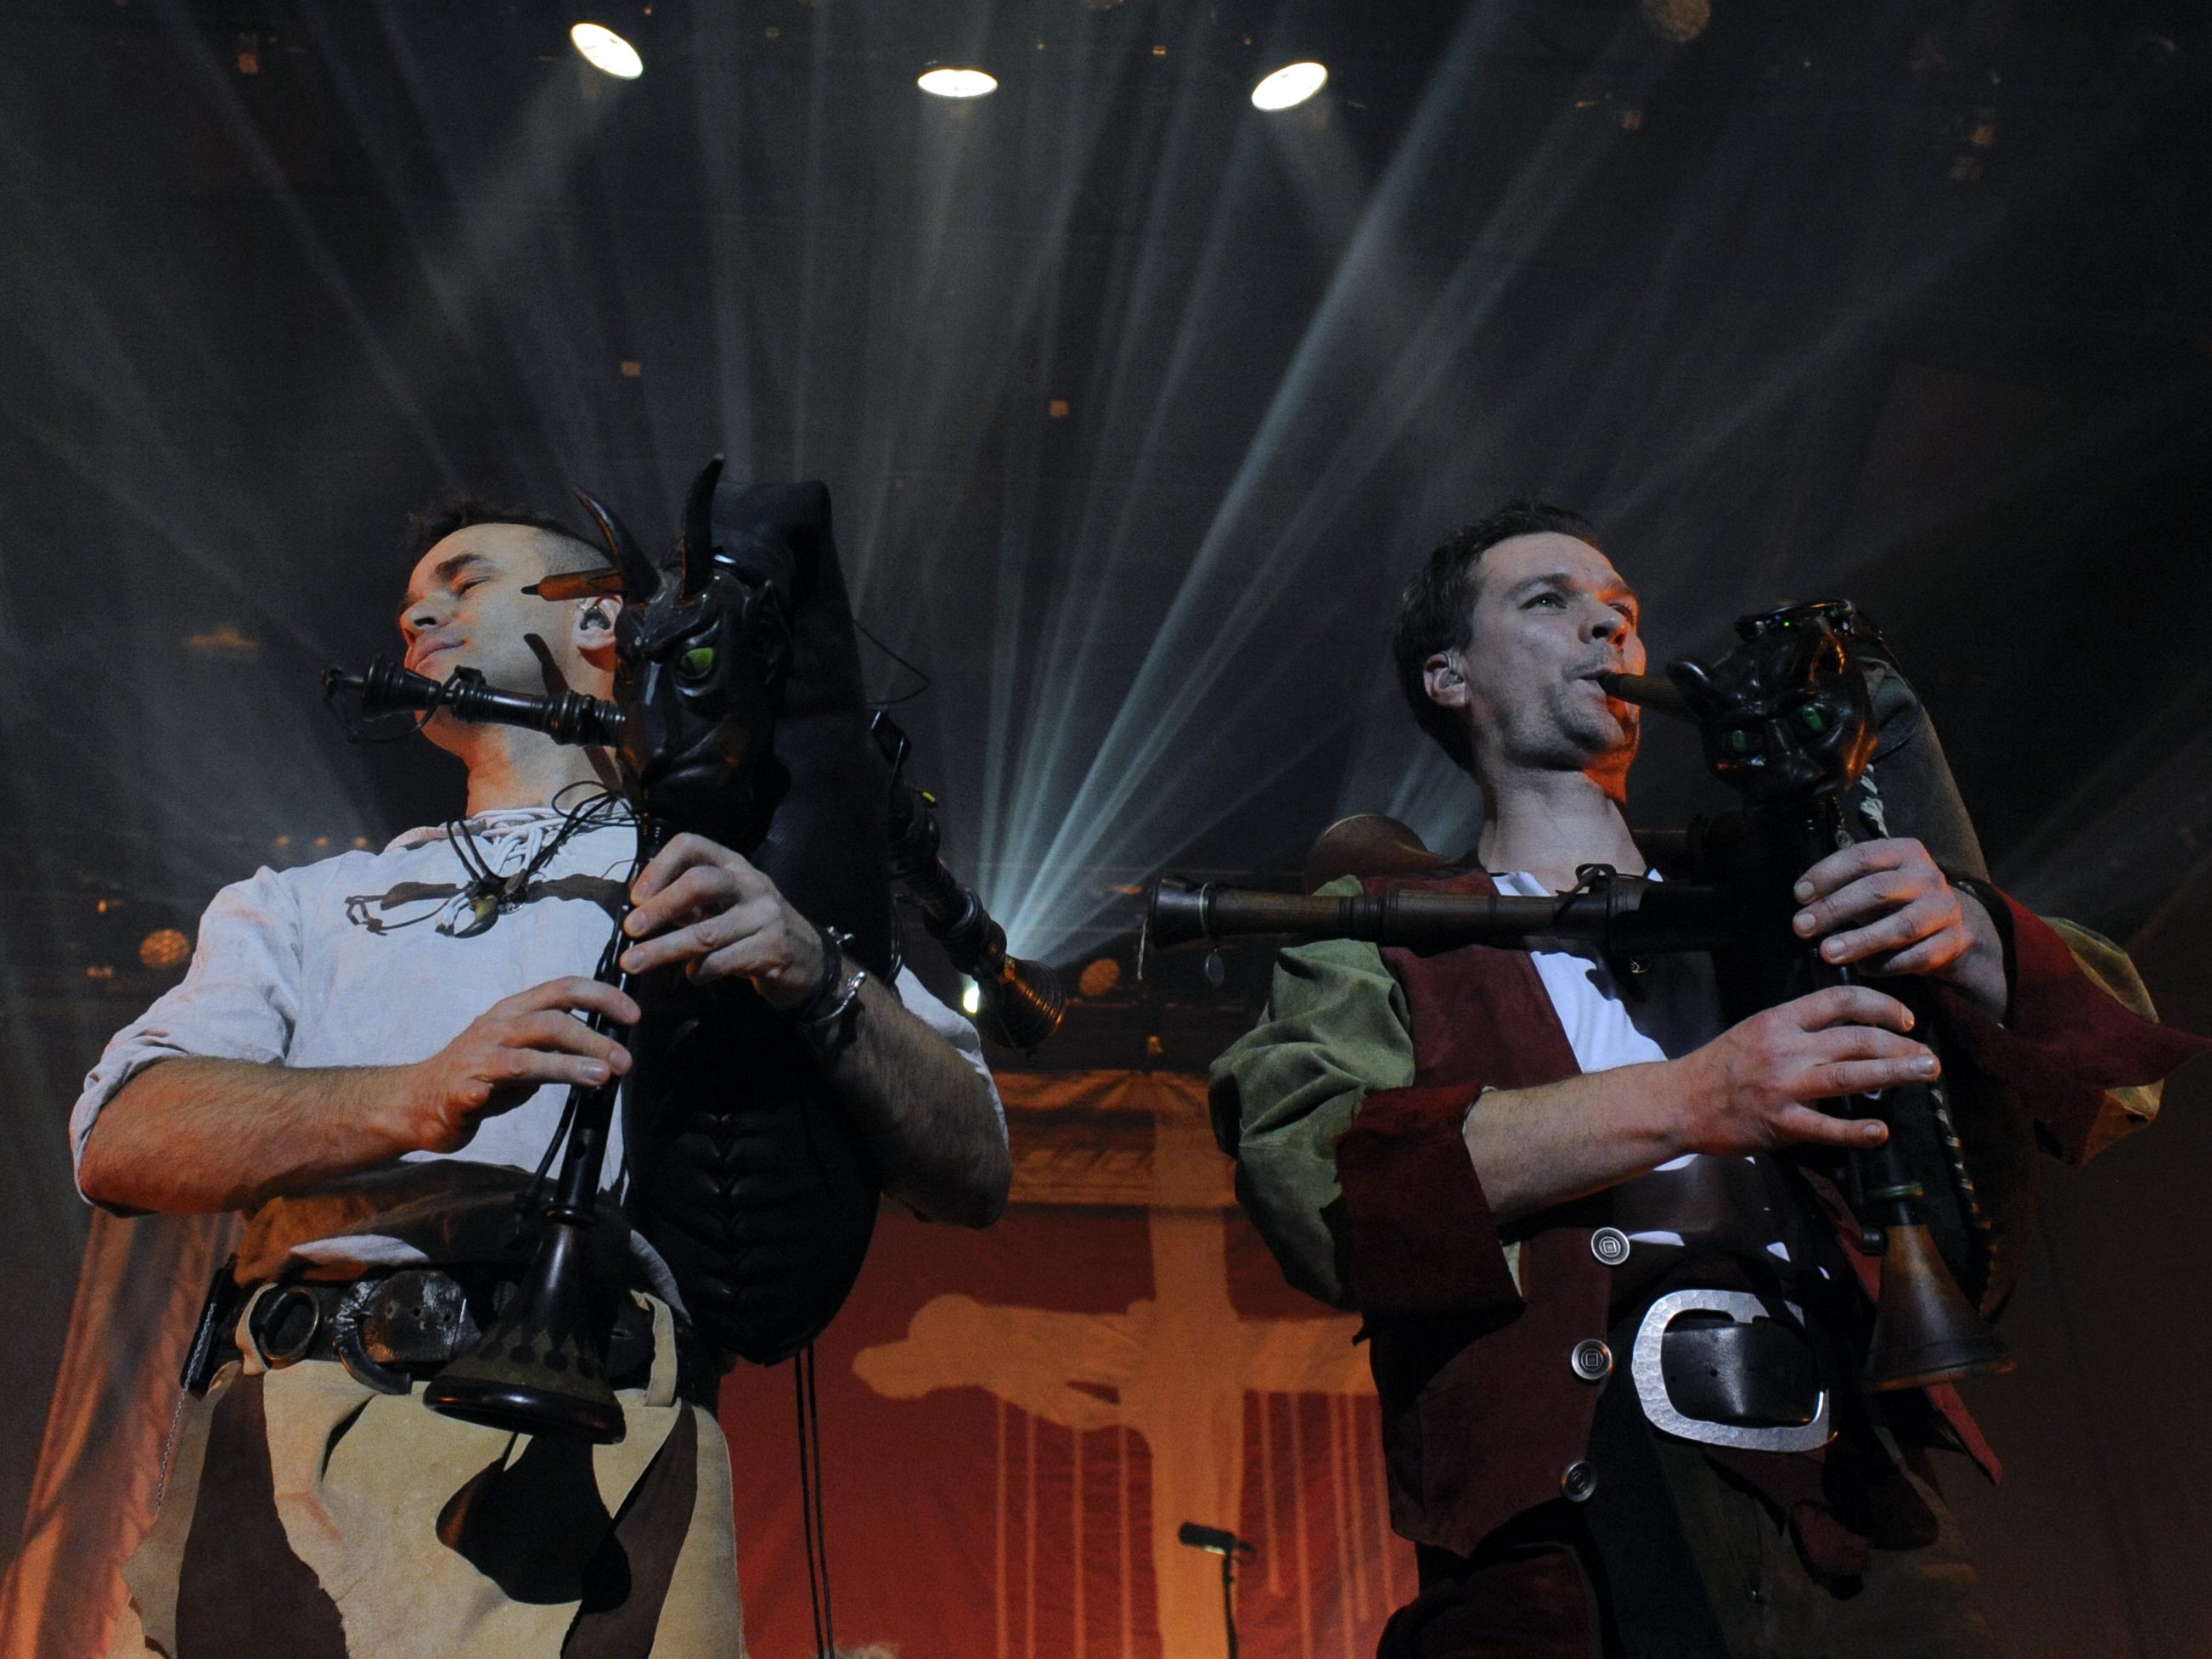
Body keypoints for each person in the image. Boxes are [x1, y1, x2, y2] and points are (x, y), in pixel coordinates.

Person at [1211, 503, 2204, 1658]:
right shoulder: (1380, 935)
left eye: (1623, 612)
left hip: (1854, 1517)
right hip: (1568, 1538)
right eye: (1549, 602)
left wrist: (1967, 932)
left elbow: (2121, 1080)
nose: (1609, 627)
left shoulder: (1778, 892)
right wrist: (1696, 1097)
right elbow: (1317, 1186)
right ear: (1446, 674)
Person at [73, 500, 1013, 1659]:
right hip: (283, 1456)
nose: (419, 608)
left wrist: (812, 968)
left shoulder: (718, 883)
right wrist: (412, 1093)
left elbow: (973, 1160)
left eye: (464, 580)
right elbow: (123, 1135)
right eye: (415, 593)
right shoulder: (299, 904)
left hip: (597, 1455)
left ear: (606, 625)